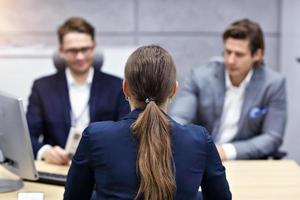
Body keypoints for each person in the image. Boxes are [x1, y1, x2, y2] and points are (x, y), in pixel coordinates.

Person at [64, 45, 231, 200]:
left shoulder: (95, 136)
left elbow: (73, 198)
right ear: (174, 90)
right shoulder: (199, 139)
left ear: (125, 88)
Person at [168, 19, 287, 161]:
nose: (230, 60)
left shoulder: (273, 84)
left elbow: (272, 137)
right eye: (228, 52)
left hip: (246, 163)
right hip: (201, 159)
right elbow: (178, 120)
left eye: (239, 54)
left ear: (257, 55)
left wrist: (226, 151)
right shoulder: (199, 77)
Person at [26, 17, 130, 165]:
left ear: (93, 47)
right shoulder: (42, 87)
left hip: (102, 169)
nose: (80, 56)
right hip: (58, 167)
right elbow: (27, 136)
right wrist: (45, 151)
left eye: (85, 49)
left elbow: (126, 135)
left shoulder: (117, 87)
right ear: (61, 51)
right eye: (72, 51)